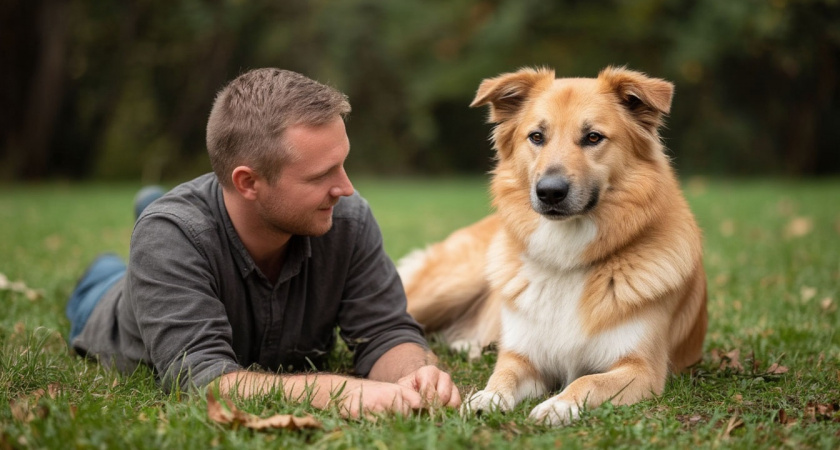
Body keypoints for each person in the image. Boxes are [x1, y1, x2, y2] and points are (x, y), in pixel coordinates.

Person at [66, 68, 461, 418]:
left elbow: (386, 332)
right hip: (107, 302)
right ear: (248, 182)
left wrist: (415, 374)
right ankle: (143, 220)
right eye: (320, 176)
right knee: (117, 266)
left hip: (194, 237)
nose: (346, 187)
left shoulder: (348, 218)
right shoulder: (167, 237)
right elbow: (203, 380)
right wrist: (346, 393)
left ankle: (151, 201)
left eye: (343, 163)